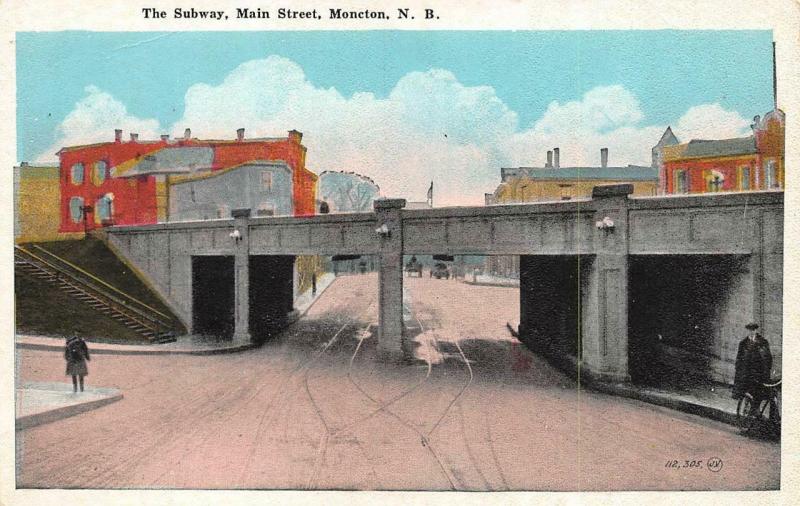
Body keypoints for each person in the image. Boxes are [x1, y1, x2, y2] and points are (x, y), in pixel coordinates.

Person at [732, 322, 772, 403]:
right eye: (750, 330)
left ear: (756, 330)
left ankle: (755, 409)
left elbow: (768, 357)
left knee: (759, 393)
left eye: (753, 330)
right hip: (747, 373)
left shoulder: (763, 342)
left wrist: (766, 369)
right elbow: (739, 359)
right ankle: (750, 409)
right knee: (748, 392)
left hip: (759, 373)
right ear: (748, 330)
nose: (751, 332)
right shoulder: (743, 343)